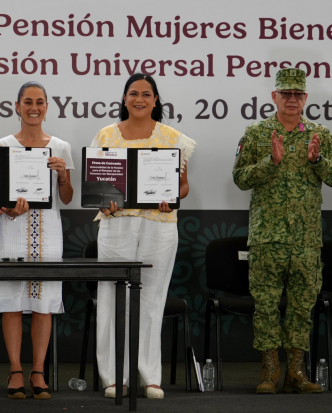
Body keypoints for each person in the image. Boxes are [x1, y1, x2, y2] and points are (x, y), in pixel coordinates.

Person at [233, 68, 332, 394]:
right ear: (274, 97)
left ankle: (296, 371)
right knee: (265, 305)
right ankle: (269, 372)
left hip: (306, 237)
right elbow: (240, 178)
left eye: (298, 94)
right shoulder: (255, 134)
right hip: (268, 236)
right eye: (286, 94)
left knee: (301, 306)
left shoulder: (319, 134)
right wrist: (271, 161)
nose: (292, 99)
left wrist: (317, 159)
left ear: (306, 98)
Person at [91, 73, 195, 399]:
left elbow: (183, 186)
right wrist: (102, 201)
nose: (139, 99)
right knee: (111, 298)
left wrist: (172, 197)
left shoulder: (173, 137)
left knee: (152, 300)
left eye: (146, 94)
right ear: (124, 99)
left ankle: (150, 377)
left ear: (155, 100)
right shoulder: (106, 134)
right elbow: (97, 186)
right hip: (117, 224)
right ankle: (113, 378)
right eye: (133, 93)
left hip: (158, 224)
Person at [0, 81, 74, 400]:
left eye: (40, 101)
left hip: (49, 232)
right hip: (11, 231)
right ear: (17, 106)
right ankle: (15, 370)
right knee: (11, 302)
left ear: (48, 107)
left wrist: (63, 175)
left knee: (43, 305)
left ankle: (38, 371)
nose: (34, 107)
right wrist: (0, 207)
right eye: (28, 102)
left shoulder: (60, 147)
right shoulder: (1, 144)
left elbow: (66, 198)